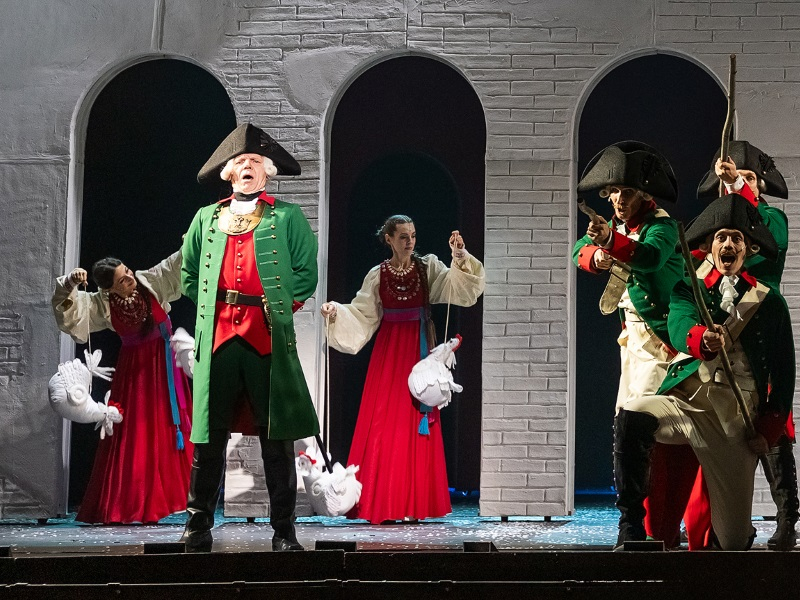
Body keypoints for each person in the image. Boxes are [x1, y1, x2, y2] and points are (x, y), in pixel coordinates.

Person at [615, 193, 794, 550]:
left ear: (749, 249)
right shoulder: (689, 288)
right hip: (687, 405)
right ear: (709, 247)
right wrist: (700, 339)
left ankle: (738, 535)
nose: (728, 244)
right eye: (721, 237)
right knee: (633, 414)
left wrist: (769, 427)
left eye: (737, 238)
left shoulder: (770, 302)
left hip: (734, 421)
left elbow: (784, 371)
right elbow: (679, 325)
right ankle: (630, 524)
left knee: (732, 541)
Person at [180, 123, 319, 552]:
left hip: (265, 335)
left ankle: (284, 532)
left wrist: (279, 308)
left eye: (255, 161)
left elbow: (306, 272)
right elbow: (189, 274)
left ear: (266, 171)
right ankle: (197, 526)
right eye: (240, 161)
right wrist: (214, 307)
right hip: (218, 336)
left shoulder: (286, 216)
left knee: (277, 438)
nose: (247, 166)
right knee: (209, 435)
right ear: (228, 172)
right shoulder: (206, 218)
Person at [671, 142, 796, 550]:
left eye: (749, 178)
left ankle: (787, 519)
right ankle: (714, 528)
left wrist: (738, 189)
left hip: (758, 332)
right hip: (716, 349)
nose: (740, 182)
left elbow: (772, 243)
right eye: (734, 177)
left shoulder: (770, 219)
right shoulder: (715, 230)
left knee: (773, 433)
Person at [320, 215, 484, 524]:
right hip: (389, 353)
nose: (410, 241)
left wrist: (460, 255)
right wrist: (335, 311)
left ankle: (414, 504)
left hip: (417, 349)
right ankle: (384, 503)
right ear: (389, 239)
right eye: (403, 236)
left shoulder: (427, 268)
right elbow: (362, 313)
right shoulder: (378, 275)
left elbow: (459, 287)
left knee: (416, 421)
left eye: (413, 235)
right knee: (386, 422)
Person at [571, 141, 685, 546]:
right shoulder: (616, 226)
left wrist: (610, 244)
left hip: (662, 344)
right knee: (626, 428)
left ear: (645, 195)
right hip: (631, 343)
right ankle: (631, 522)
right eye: (615, 192)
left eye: (628, 192)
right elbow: (579, 250)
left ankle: (652, 522)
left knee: (645, 430)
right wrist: (596, 255)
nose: (619, 200)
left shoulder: (662, 227)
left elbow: (649, 257)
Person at [52, 251, 193, 524]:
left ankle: (174, 497)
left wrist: (193, 239)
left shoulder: (150, 282)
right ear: (109, 289)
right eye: (121, 280)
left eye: (127, 271)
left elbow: (175, 263)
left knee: (168, 425)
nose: (129, 278)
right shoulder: (101, 304)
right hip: (135, 372)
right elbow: (67, 309)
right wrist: (69, 282)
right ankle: (131, 502)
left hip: (164, 364)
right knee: (135, 430)